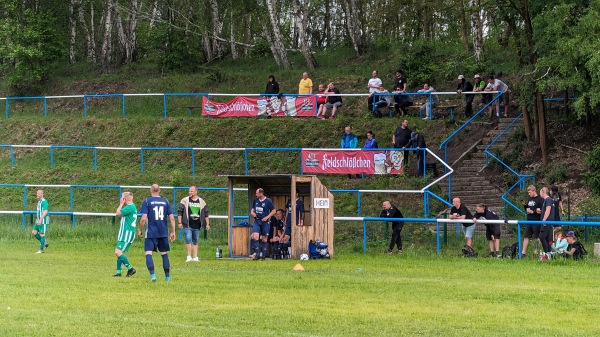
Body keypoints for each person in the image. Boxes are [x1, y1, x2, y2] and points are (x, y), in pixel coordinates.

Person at [138, 184, 176, 282]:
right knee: (164, 253)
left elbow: (143, 218)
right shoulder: (165, 201)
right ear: (159, 191)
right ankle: (167, 277)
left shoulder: (147, 201)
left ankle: (153, 275)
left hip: (151, 232)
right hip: (163, 232)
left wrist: (140, 230)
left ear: (151, 190)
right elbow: (171, 217)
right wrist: (173, 231)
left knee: (148, 253)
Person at [177, 186, 210, 262]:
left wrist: (208, 224)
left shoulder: (201, 201)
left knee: (195, 240)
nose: (190, 192)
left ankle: (195, 257)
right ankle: (189, 256)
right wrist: (180, 222)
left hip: (197, 224)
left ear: (196, 192)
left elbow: (206, 214)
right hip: (187, 224)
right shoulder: (184, 200)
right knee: (188, 238)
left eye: (191, 191)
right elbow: (180, 212)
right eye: (189, 191)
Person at [114, 192, 137, 277]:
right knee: (120, 253)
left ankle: (131, 269)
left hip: (126, 234)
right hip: (125, 233)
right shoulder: (131, 207)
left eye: (122, 198)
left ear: (124, 199)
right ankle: (118, 272)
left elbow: (118, 213)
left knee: (117, 252)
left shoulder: (130, 207)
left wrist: (121, 204)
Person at [250, 188, 276, 260]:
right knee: (255, 236)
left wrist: (267, 217)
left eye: (257, 193)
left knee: (264, 239)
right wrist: (252, 213)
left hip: (265, 222)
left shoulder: (268, 201)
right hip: (257, 221)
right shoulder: (255, 200)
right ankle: (257, 255)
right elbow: (252, 210)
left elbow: (274, 211)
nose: (256, 195)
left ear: (261, 193)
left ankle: (263, 256)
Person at [521, 185, 544, 258]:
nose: (529, 194)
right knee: (526, 236)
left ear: (534, 191)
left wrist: (533, 212)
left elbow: (541, 211)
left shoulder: (540, 199)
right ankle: (523, 253)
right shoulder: (529, 199)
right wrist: (525, 206)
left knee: (537, 237)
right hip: (529, 220)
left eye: (530, 192)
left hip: (536, 220)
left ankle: (536, 250)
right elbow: (528, 208)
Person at [539, 186, 556, 260]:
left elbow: (548, 210)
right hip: (549, 222)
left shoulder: (548, 200)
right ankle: (549, 253)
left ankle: (547, 252)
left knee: (542, 237)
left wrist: (544, 220)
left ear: (543, 192)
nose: (540, 194)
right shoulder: (548, 200)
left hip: (547, 222)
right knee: (548, 239)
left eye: (540, 192)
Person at [32, 189, 49, 254]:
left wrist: (41, 219)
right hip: (39, 219)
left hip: (43, 220)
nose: (37, 194)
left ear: (42, 194)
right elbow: (39, 212)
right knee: (34, 232)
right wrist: (37, 219)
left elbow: (45, 211)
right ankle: (44, 243)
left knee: (42, 234)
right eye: (37, 193)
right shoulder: (39, 202)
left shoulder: (44, 202)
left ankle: (41, 250)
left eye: (39, 193)